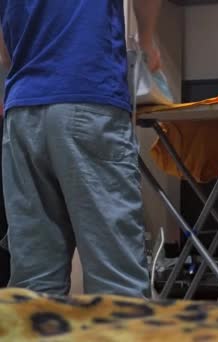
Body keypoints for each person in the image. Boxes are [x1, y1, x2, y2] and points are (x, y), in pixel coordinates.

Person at [0, 0, 161, 297]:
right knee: (117, 281)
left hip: (22, 112)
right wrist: (147, 40)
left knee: (34, 281)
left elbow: (6, 53)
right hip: (88, 96)